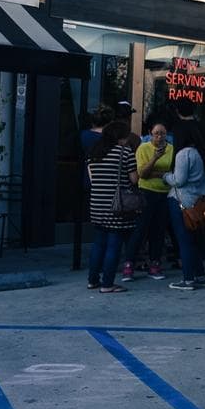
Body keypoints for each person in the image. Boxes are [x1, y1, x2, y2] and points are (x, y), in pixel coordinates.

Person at [86, 121, 138, 293]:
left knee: (98, 243)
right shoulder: (124, 152)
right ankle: (108, 283)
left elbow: (92, 179)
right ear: (121, 136)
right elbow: (134, 179)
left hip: (97, 204)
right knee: (114, 245)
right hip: (117, 206)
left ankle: (93, 280)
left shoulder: (94, 153)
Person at [122, 118, 172, 282]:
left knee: (158, 231)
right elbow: (142, 173)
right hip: (146, 192)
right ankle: (129, 264)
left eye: (162, 133)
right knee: (140, 230)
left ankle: (154, 263)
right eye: (156, 133)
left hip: (164, 193)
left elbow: (172, 172)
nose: (159, 137)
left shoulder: (171, 149)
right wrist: (155, 159)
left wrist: (157, 174)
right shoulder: (143, 148)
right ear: (150, 133)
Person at [164, 121, 205, 290]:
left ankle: (188, 278)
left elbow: (178, 180)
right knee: (194, 240)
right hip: (199, 202)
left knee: (184, 241)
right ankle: (200, 275)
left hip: (181, 202)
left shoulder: (184, 154)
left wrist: (165, 176)